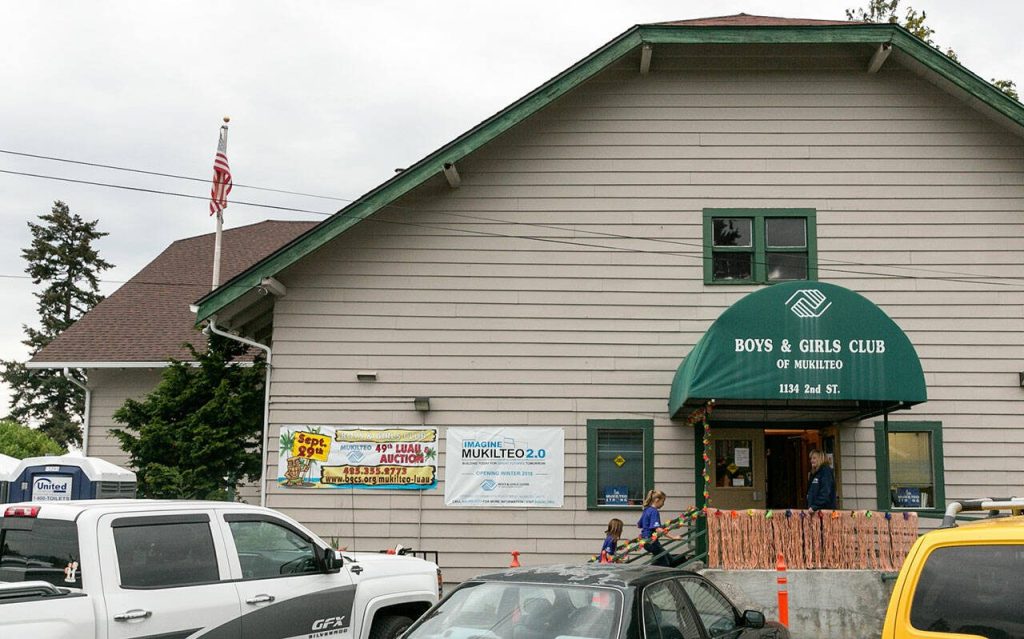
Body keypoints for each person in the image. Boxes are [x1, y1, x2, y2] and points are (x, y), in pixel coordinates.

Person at [637, 489, 682, 567]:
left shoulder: (646, 510)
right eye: (663, 501)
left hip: (646, 541)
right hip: (651, 542)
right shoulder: (654, 511)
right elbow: (658, 529)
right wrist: (673, 537)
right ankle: (649, 573)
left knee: (669, 559)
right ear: (657, 500)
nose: (663, 504)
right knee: (664, 563)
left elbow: (639, 524)